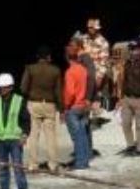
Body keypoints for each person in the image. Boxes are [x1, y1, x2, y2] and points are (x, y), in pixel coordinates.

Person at [20, 45, 62, 171]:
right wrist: (62, 108)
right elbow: (58, 92)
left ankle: (33, 164)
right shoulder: (55, 70)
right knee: (51, 136)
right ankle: (53, 164)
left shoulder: (30, 68)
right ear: (48, 57)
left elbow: (23, 87)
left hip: (34, 103)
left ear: (38, 57)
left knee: (33, 134)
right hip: (50, 104)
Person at [117, 40, 140, 155]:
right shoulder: (127, 63)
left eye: (135, 49)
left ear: (139, 50)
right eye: (131, 49)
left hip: (139, 98)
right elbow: (124, 81)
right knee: (125, 123)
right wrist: (121, 97)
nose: (133, 51)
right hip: (127, 97)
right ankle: (130, 145)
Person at [62, 40, 91, 170]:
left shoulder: (70, 72)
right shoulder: (83, 70)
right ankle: (85, 160)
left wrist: (66, 106)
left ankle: (80, 162)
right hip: (83, 105)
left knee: (76, 136)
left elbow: (70, 92)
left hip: (73, 107)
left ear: (68, 57)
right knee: (83, 135)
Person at [82, 19, 112, 110]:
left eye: (92, 28)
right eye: (89, 27)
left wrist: (100, 76)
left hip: (96, 75)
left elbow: (104, 61)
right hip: (83, 74)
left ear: (97, 29)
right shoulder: (83, 39)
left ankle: (95, 118)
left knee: (95, 100)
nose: (90, 29)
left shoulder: (103, 42)